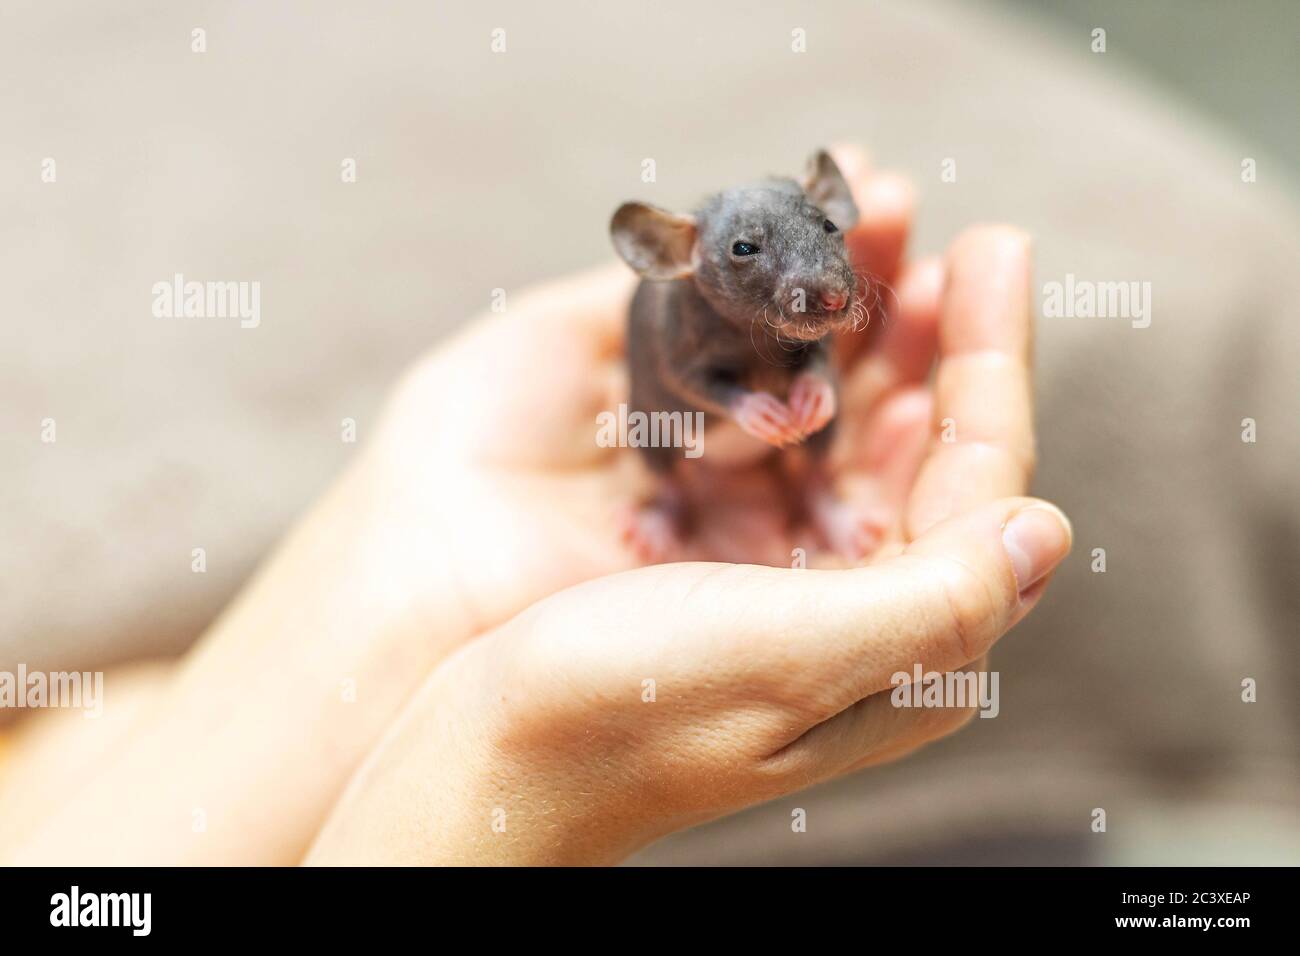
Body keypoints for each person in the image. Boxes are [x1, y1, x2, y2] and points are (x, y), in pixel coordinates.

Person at [0, 147, 1071, 866]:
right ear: (676, 254)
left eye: (820, 245)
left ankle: (820, 491)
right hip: (683, 422)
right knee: (670, 434)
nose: (819, 280)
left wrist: (804, 399)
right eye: (758, 256)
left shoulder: (793, 282)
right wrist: (492, 764)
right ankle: (695, 491)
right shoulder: (678, 305)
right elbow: (694, 375)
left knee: (106, 726)